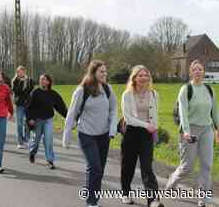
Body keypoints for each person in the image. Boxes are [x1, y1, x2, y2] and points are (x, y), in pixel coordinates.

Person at [63, 60, 117, 207]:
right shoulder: (82, 90)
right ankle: (92, 202)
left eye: (106, 71)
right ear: (93, 73)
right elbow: (72, 113)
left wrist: (112, 129)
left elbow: (113, 110)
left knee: (99, 169)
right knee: (95, 167)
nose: (105, 74)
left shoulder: (108, 89)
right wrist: (66, 136)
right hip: (86, 134)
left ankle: (89, 191)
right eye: (101, 72)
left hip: (104, 135)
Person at [166, 60, 219, 207]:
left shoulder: (209, 89)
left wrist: (217, 129)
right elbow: (182, 112)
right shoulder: (186, 89)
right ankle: (171, 182)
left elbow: (214, 111)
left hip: (206, 129)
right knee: (187, 166)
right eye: (194, 69)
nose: (197, 71)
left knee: (207, 165)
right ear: (191, 72)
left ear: (203, 72)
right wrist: (187, 132)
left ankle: (203, 198)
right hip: (190, 130)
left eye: (200, 69)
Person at [120, 65, 164, 207]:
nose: (143, 77)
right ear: (134, 78)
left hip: (146, 135)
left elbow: (155, 115)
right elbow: (128, 118)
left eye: (146, 75)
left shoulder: (154, 94)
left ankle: (153, 200)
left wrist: (154, 129)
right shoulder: (127, 94)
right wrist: (147, 125)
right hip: (131, 133)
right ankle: (125, 193)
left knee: (147, 167)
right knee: (128, 167)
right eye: (140, 75)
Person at [26, 74, 67, 169]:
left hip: (48, 120)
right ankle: (32, 152)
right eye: (40, 79)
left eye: (44, 79)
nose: (41, 81)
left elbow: (60, 107)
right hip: (37, 120)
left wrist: (68, 117)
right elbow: (28, 107)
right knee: (36, 141)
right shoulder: (35, 92)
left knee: (48, 140)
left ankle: (50, 160)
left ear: (48, 82)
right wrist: (30, 119)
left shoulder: (53, 94)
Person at [12, 66, 35, 149]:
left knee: (27, 122)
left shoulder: (30, 80)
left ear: (25, 72)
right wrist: (21, 83)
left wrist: (24, 91)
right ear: (17, 73)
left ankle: (26, 139)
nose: (21, 73)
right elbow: (17, 91)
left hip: (28, 104)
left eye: (22, 71)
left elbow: (30, 90)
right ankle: (20, 141)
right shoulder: (15, 81)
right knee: (19, 123)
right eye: (19, 72)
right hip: (19, 104)